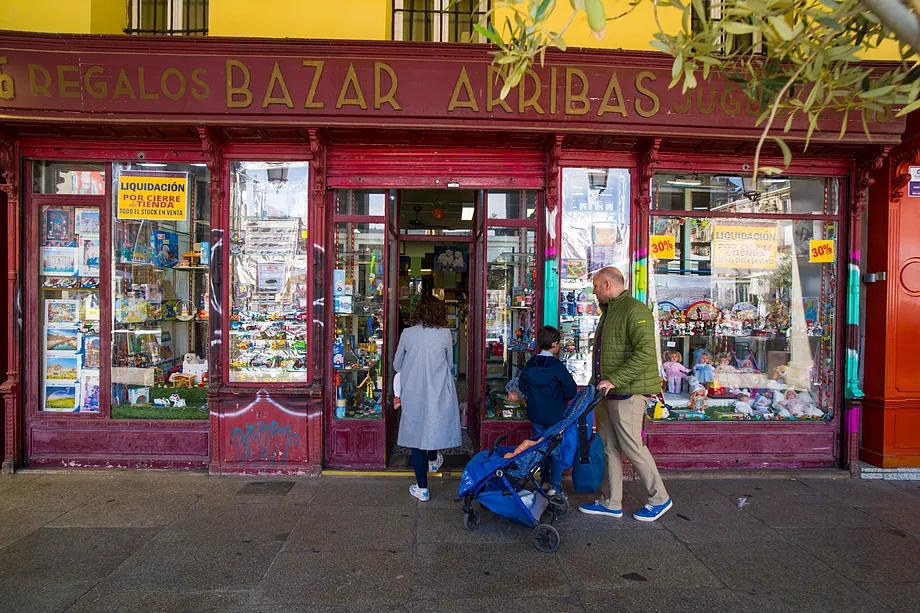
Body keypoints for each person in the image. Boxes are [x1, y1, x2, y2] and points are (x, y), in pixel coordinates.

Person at [579, 266, 673, 522]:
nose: (594, 292)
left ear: (607, 285)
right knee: (608, 447)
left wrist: (613, 380)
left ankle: (660, 498)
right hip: (607, 393)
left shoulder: (635, 310)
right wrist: (596, 384)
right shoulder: (610, 311)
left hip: (627, 394)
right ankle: (611, 502)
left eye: (596, 287)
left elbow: (645, 354)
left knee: (632, 447)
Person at [393, 294, 461, 502]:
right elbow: (450, 364)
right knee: (433, 423)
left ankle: (422, 489)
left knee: (416, 437)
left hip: (413, 389)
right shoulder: (445, 334)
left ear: (418, 312)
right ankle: (433, 458)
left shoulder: (407, 333)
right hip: (437, 387)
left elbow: (397, 364)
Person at [517, 325, 578, 497]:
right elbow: (571, 391)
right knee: (556, 449)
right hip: (556, 416)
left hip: (536, 414)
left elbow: (522, 386)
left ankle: (544, 480)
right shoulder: (558, 367)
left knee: (540, 446)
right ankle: (555, 486)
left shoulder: (531, 364)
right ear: (554, 344)